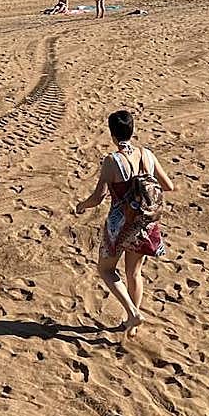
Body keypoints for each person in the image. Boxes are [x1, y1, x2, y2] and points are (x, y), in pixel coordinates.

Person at [75, 109, 174, 336]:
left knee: (106, 269)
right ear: (132, 130)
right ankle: (131, 326)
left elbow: (98, 197)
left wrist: (81, 206)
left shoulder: (112, 161)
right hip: (145, 224)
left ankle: (132, 312)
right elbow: (168, 186)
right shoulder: (147, 155)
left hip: (119, 225)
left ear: (111, 134)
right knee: (134, 272)